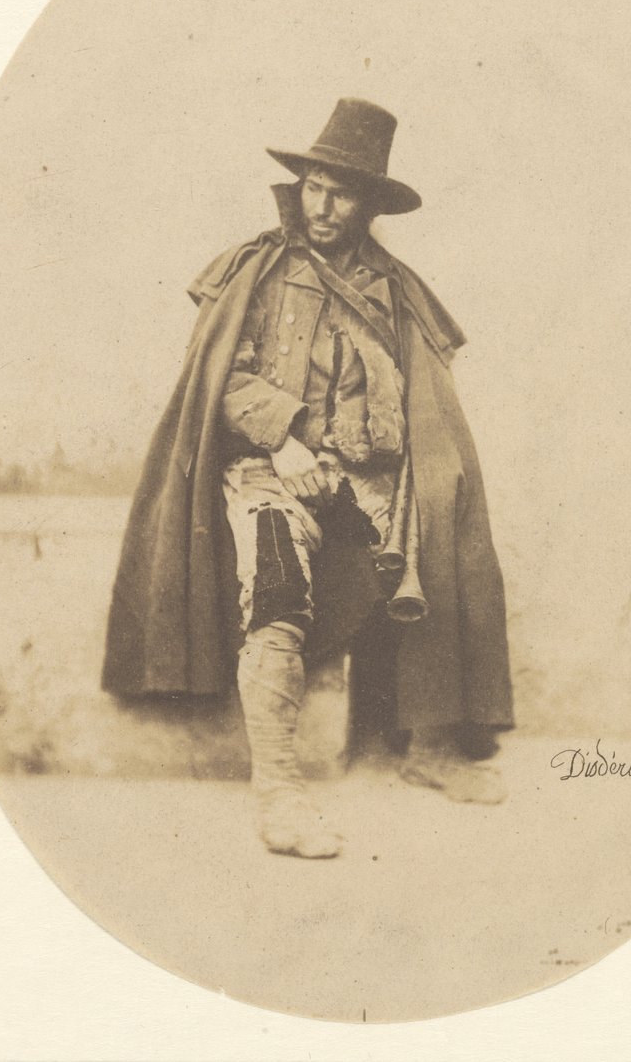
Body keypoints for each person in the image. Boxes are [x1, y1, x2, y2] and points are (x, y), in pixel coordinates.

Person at [102, 98, 514, 858]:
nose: (322, 208)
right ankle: (280, 794)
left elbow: (419, 407)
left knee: (435, 547)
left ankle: (429, 750)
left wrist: (386, 468)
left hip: (360, 476)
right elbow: (220, 379)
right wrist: (286, 437)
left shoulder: (395, 290)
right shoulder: (257, 271)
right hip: (266, 468)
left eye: (341, 194)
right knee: (279, 584)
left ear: (368, 205)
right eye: (314, 189)